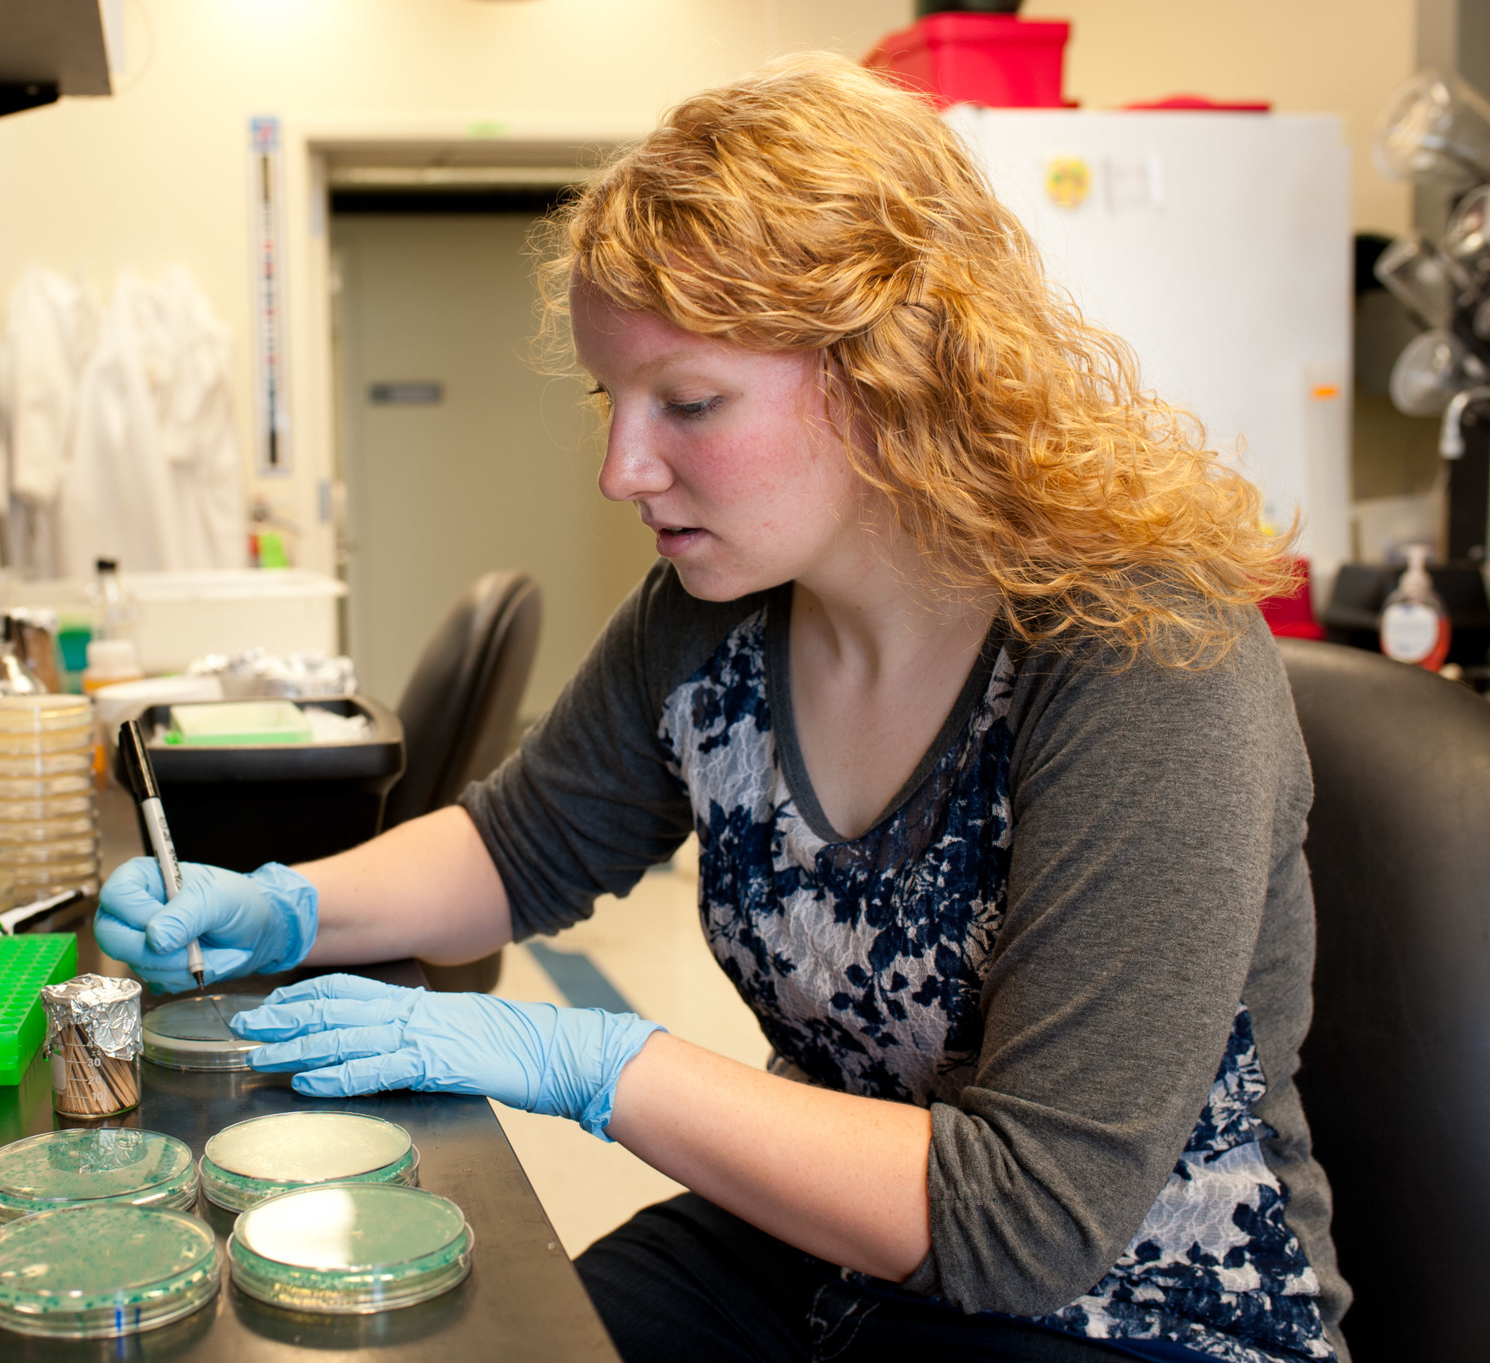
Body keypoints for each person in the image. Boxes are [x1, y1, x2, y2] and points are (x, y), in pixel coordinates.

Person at [97, 52, 1346, 1363]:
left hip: (1129, 1310)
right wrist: (285, 904)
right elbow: (523, 848)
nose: (622, 469)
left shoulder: (1139, 652)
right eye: (612, 399)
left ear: (892, 372)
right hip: (816, 1245)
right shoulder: (715, 613)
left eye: (688, 404)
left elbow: (1029, 1219)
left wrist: (598, 1067)